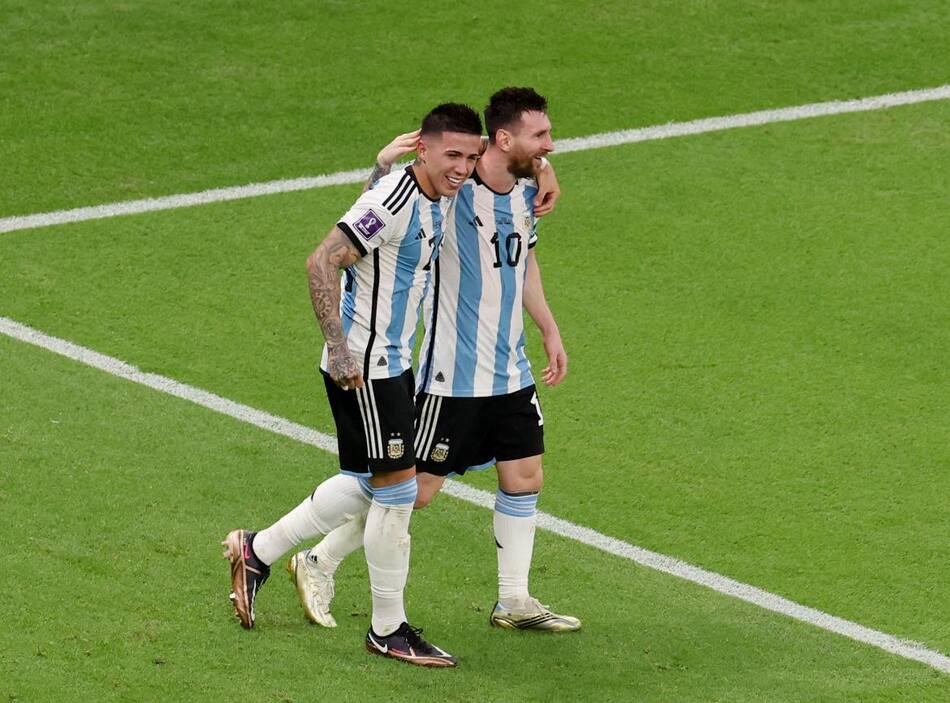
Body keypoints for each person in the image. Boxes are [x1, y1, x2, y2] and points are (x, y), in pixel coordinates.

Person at [290, 87, 580, 634]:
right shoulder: (452, 191)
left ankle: (514, 601)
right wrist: (380, 164)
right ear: (503, 138)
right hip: (452, 375)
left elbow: (523, 263)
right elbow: (383, 208)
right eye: (540, 137)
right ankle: (315, 559)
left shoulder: (523, 192)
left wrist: (550, 330)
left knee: (524, 475)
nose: (549, 148)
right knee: (410, 492)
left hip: (511, 369)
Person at [222, 103, 485, 668]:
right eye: (452, 154)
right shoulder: (397, 198)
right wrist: (340, 350)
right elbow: (322, 261)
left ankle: (258, 550)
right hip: (367, 367)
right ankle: (388, 629)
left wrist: (377, 168)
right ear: (425, 149)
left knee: (375, 484)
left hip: (394, 364)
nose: (463, 167)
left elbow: (372, 235)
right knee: (396, 494)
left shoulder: (429, 192)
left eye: (471, 155)